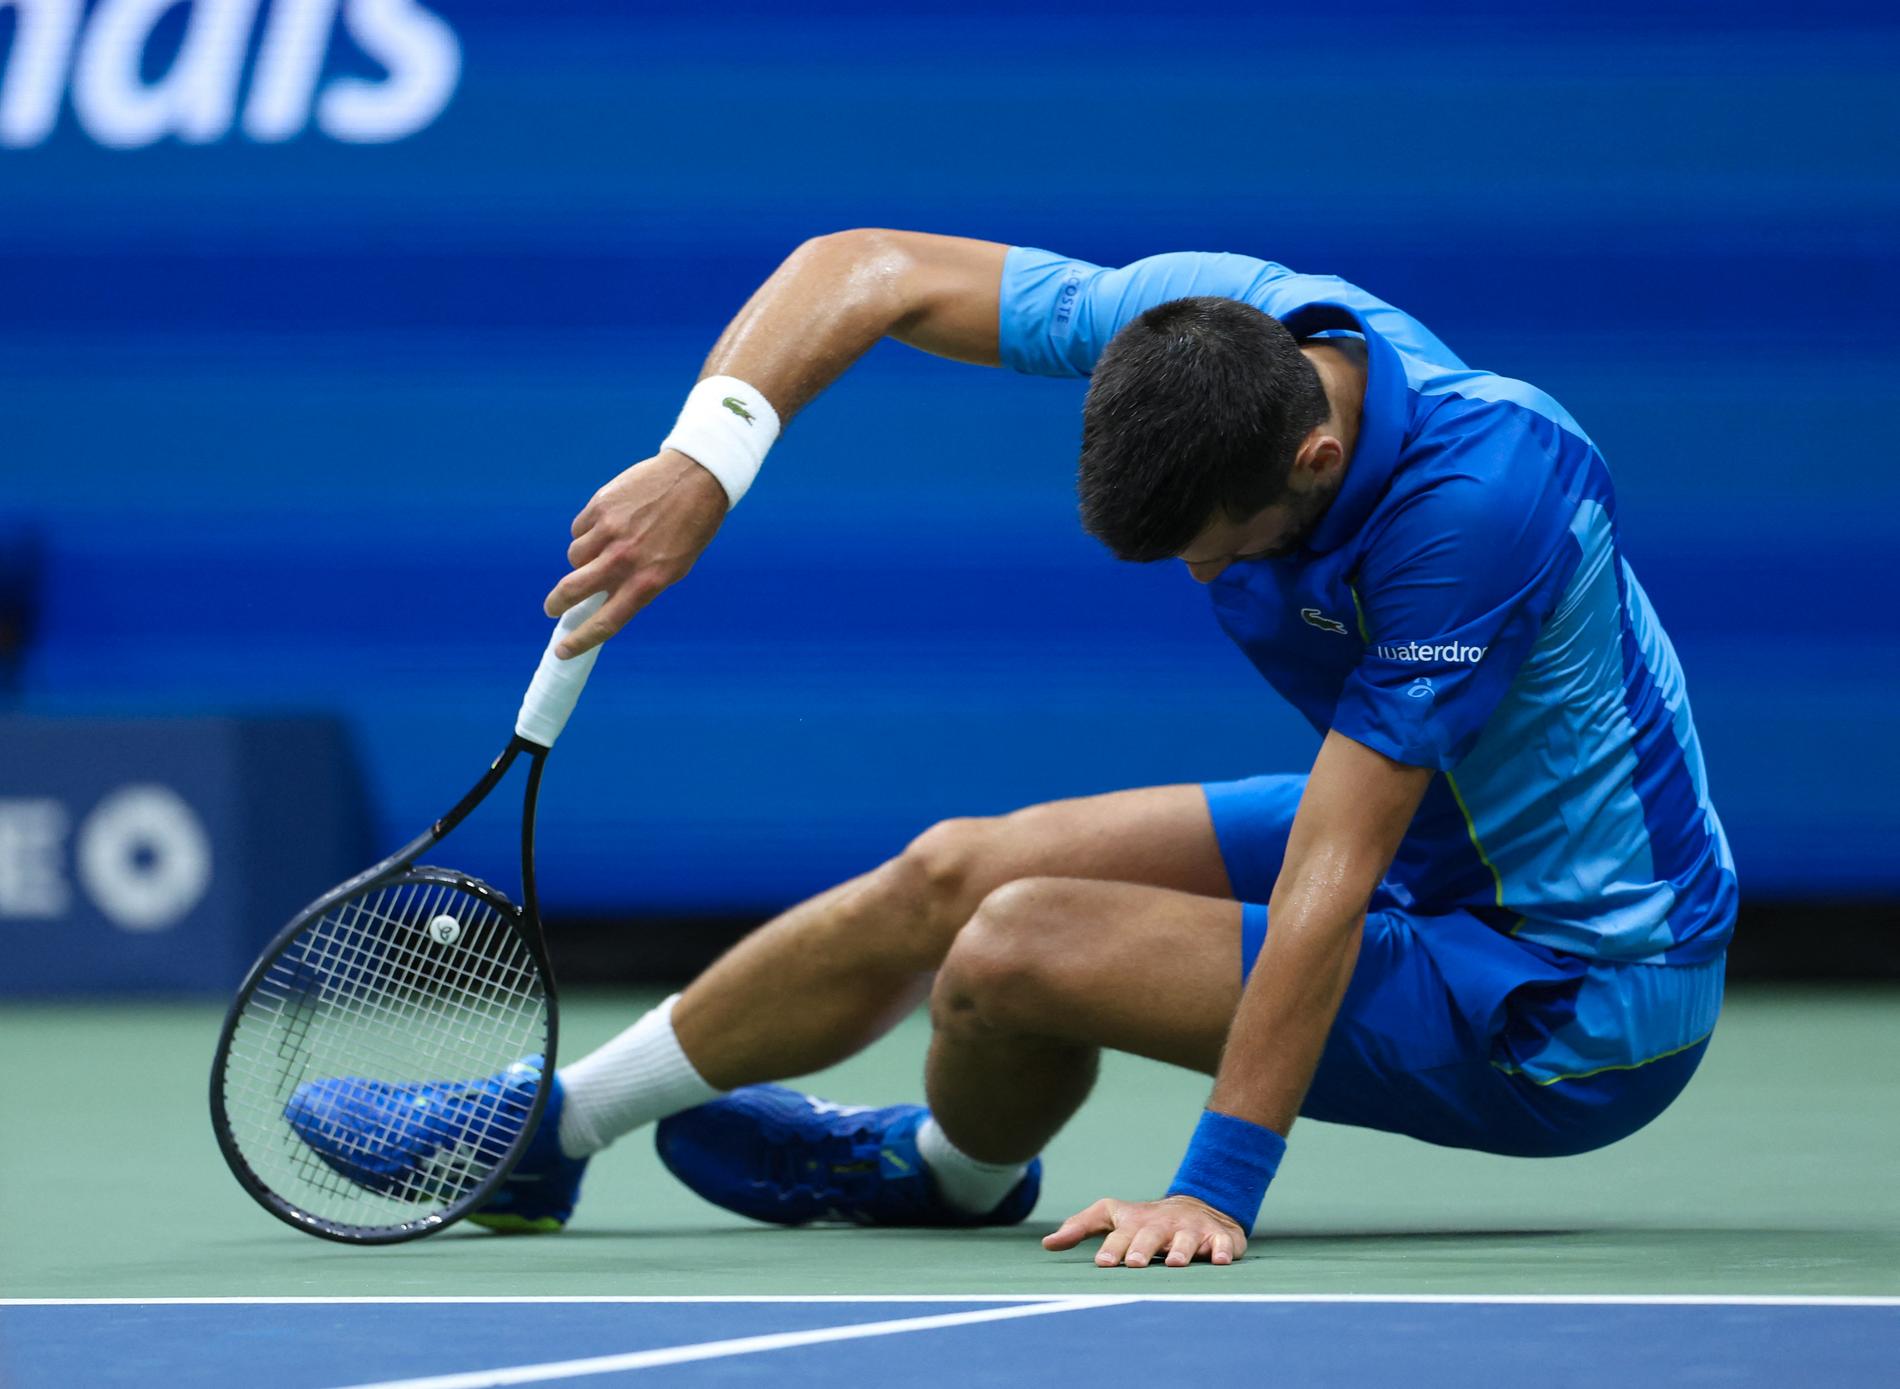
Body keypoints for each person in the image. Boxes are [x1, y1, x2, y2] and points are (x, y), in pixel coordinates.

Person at [311, 231, 1739, 1268]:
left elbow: (1336, 864)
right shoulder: (1209, 317)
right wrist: (707, 460)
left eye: (1207, 547)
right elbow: (863, 269)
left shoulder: (1479, 502)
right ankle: (553, 1135)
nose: (1197, 582)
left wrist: (1218, 1186)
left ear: (1308, 465)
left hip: (1578, 994)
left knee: (1012, 944)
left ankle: (943, 1175)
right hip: (1451, 839)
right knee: (956, 869)